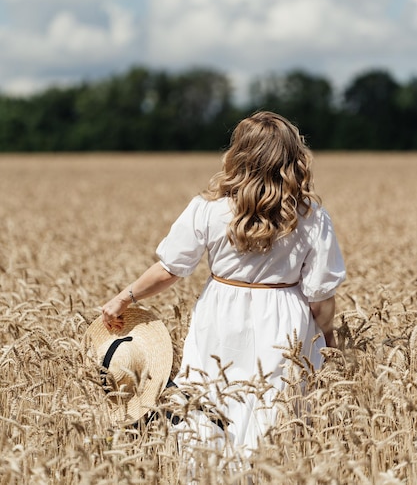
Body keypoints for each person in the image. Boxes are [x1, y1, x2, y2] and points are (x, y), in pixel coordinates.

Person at [101, 111, 346, 451]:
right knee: (276, 409)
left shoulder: (208, 209)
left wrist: (124, 298)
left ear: (239, 155)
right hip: (285, 318)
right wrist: (330, 341)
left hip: (219, 313)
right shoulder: (313, 218)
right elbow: (320, 295)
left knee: (209, 400)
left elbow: (170, 268)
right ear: (293, 158)